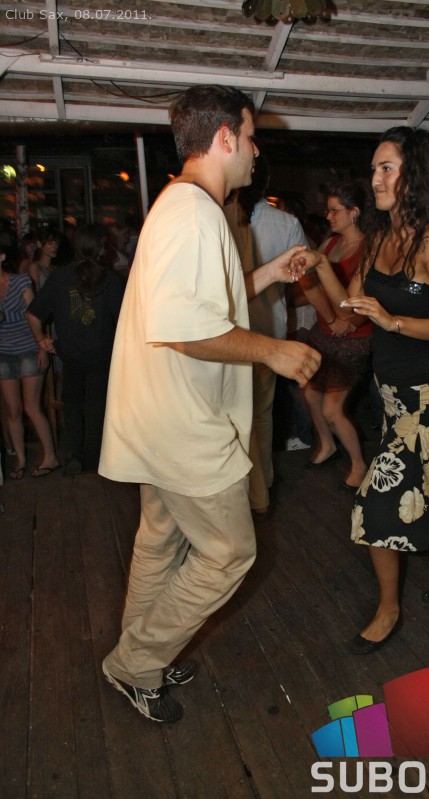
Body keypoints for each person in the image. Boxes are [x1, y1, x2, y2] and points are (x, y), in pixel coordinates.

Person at [98, 85, 321, 723]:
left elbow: (204, 299)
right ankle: (135, 662)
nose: (256, 152)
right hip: (185, 426)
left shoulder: (182, 205)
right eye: (250, 138)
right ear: (225, 137)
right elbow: (187, 329)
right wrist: (274, 352)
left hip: (159, 416)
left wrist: (269, 274)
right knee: (230, 552)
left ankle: (142, 652)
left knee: (160, 541)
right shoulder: (194, 213)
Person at [293, 126, 429, 654]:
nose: (375, 179)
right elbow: (347, 314)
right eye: (374, 168)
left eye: (386, 168)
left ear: (413, 176)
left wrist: (394, 321)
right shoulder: (379, 238)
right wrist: (319, 266)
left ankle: (387, 610)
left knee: (376, 503)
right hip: (392, 397)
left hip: (425, 404)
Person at [232, 153, 309, 514]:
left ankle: (239, 491)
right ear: (265, 183)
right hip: (269, 328)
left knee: (233, 415)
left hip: (227, 333)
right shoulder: (286, 222)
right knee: (262, 414)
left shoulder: (223, 218)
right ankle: (260, 490)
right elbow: (303, 278)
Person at [27, 224, 125, 474]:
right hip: (102, 355)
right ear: (98, 248)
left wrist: (41, 340)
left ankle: (74, 455)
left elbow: (33, 313)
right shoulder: (111, 279)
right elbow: (126, 321)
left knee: (71, 406)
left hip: (69, 354)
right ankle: (94, 459)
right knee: (96, 408)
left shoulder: (61, 277)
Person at [300, 180, 373, 491]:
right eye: (327, 210)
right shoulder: (329, 245)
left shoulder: (370, 249)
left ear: (354, 212)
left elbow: (368, 302)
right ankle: (328, 445)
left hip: (353, 338)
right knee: (310, 394)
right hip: (325, 332)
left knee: (332, 409)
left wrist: (349, 322)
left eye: (334, 210)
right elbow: (312, 283)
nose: (328, 216)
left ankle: (359, 464)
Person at [0, 233, 59, 479]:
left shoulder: (20, 281)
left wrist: (41, 347)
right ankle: (21, 460)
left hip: (28, 348)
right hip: (3, 353)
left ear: (2, 257)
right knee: (13, 411)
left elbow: (36, 315)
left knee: (32, 407)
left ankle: (50, 457)